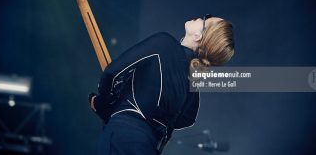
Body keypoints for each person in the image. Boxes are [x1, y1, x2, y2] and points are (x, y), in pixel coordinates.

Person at [89, 14, 235, 155]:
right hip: (150, 146)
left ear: (198, 36)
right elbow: (187, 119)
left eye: (205, 19)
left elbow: (111, 73)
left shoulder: (164, 43)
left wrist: (103, 105)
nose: (201, 16)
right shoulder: (193, 77)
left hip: (123, 137)